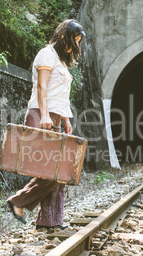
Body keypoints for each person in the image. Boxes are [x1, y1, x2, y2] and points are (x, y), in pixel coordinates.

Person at [6, 19, 85, 229]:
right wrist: (44, 115)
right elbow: (42, 87)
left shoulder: (60, 61)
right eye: (73, 40)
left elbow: (60, 95)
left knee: (59, 174)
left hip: (55, 117)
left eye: (78, 42)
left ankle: (50, 222)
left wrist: (66, 119)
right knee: (53, 172)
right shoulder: (47, 54)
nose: (75, 46)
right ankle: (17, 201)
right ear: (63, 36)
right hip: (42, 115)